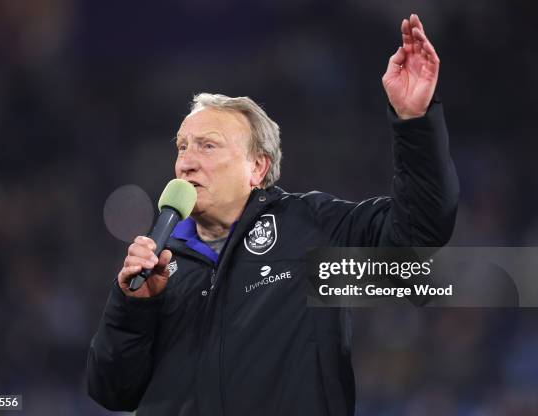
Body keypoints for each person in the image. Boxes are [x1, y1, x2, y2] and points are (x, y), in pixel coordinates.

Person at [87, 14, 458, 416]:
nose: (186, 163)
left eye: (207, 146)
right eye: (182, 147)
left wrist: (414, 123)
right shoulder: (157, 265)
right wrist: (132, 307)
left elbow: (415, 236)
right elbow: (112, 392)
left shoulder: (309, 226)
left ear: (257, 168)